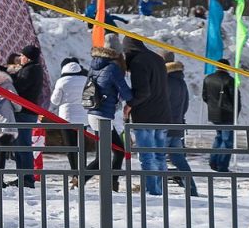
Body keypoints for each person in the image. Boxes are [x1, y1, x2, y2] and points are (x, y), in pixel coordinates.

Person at [123, 36, 171, 196]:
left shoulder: (138, 62)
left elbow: (143, 92)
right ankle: (160, 189)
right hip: (162, 113)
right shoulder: (157, 58)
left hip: (145, 116)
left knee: (147, 157)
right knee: (160, 155)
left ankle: (153, 192)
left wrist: (129, 104)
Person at [84, 46, 132, 190]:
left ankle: (81, 179)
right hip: (103, 117)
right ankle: (111, 183)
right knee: (118, 151)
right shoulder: (112, 68)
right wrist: (131, 100)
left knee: (103, 156)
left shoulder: (93, 67)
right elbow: (125, 91)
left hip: (93, 112)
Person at [11, 45, 46, 188]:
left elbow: (19, 86)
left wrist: (8, 78)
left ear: (27, 57)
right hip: (25, 111)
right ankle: (22, 176)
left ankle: (27, 177)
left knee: (23, 146)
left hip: (25, 112)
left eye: (22, 55)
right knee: (19, 146)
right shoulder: (32, 68)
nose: (20, 57)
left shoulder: (31, 69)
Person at [163, 57, 199, 197]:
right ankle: (191, 188)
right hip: (177, 125)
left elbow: (163, 103)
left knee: (158, 157)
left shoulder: (166, 82)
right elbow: (185, 106)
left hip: (165, 125)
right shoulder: (182, 83)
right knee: (179, 159)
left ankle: (157, 188)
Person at [47, 57, 90, 172]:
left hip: (67, 118)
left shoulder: (62, 81)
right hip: (83, 117)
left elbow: (55, 101)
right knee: (82, 145)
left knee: (70, 145)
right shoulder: (85, 79)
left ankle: (74, 171)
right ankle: (83, 170)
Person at [203, 66, 240, 172]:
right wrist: (235, 113)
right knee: (227, 140)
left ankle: (213, 162)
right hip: (227, 114)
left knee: (219, 137)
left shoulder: (208, 78)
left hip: (214, 114)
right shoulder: (230, 80)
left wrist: (212, 107)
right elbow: (235, 98)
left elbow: (204, 96)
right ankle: (222, 165)